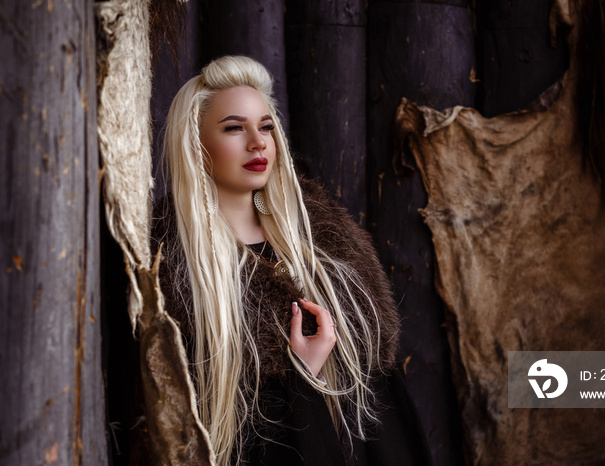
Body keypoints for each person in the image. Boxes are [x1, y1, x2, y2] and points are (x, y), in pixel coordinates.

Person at [151, 55, 433, 466]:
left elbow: (386, 411)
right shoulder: (178, 275)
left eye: (266, 126)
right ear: (195, 143)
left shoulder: (331, 251)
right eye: (234, 128)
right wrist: (305, 376)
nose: (257, 142)